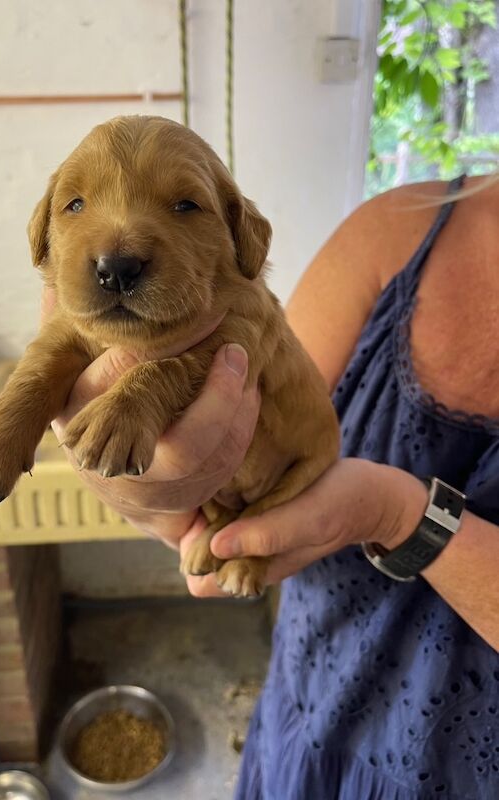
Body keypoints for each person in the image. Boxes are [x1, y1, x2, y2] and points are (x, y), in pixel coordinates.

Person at [42, 174, 499, 799]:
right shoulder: (398, 225)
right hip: (311, 701)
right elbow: (237, 430)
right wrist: (156, 498)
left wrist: (398, 515)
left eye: (183, 207)